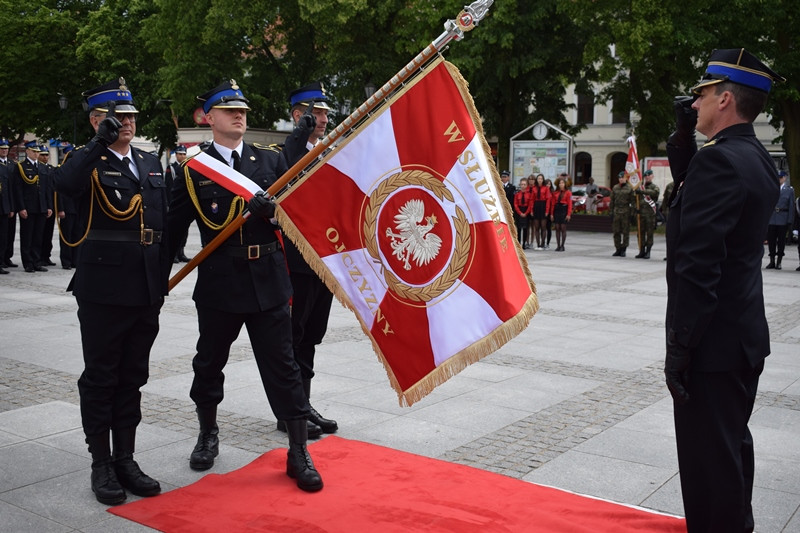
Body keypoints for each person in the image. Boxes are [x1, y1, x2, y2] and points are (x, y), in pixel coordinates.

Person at [167, 80, 323, 492]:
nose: (239, 116)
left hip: (268, 279)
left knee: (284, 366)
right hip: (221, 281)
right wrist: (152, 279)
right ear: (209, 118)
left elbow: (292, 213)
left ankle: (297, 450)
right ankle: (207, 433)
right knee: (209, 362)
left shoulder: (268, 161)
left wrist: (273, 215)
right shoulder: (194, 169)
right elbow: (172, 230)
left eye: (243, 110)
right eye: (228, 110)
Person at [664, 48, 783, 532]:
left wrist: (680, 349)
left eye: (703, 95)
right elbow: (702, 200)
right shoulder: (753, 157)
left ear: (726, 99)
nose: (695, 105)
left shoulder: (720, 164)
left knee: (708, 470)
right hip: (742, 335)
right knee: (731, 453)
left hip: (711, 344)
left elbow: (697, 268)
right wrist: (682, 141)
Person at [51, 78, 168, 505]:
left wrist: (160, 279)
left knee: (133, 376)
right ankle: (101, 462)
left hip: (145, 288)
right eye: (116, 118)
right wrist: (96, 144)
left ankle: (126, 458)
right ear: (96, 120)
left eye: (131, 116)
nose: (126, 123)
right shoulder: (87, 161)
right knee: (102, 376)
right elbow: (65, 184)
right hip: (103, 288)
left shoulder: (150, 162)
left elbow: (164, 226)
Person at [278, 81, 336, 438]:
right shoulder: (287, 150)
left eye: (327, 113)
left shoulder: (329, 151)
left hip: (325, 260)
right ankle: (289, 412)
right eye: (317, 113)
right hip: (297, 259)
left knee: (312, 335)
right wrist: (298, 136)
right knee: (293, 335)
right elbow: (288, 170)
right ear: (298, 116)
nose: (325, 119)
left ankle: (304, 405)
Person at [12, 140, 53, 272]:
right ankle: (28, 263)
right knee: (27, 236)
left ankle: (36, 261)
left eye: (37, 152)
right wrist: (21, 207)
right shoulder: (21, 167)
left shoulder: (42, 167)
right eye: (34, 152)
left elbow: (46, 189)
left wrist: (49, 206)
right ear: (27, 151)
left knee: (38, 236)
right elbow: (18, 190)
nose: (36, 154)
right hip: (28, 207)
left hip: (41, 206)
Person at [165, 145, 190, 263]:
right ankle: (174, 253)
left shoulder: (187, 167)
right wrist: (169, 203)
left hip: (185, 203)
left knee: (185, 230)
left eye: (184, 154)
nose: (182, 156)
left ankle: (181, 253)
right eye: (180, 154)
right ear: (176, 155)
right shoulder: (172, 168)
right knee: (175, 229)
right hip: (173, 202)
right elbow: (168, 186)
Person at [0, 140, 22, 274]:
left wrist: (14, 207)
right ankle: (0, 260)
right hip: (1, 205)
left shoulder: (12, 164)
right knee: (1, 236)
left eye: (6, 149)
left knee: (9, 234)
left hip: (9, 205)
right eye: (2, 149)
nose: (4, 151)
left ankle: (6, 257)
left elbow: (14, 188)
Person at [765, 171, 794, 269]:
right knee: (771, 240)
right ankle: (772, 261)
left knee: (781, 241)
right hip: (772, 218)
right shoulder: (772, 188)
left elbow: (791, 206)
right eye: (778, 177)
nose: (779, 179)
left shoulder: (789, 190)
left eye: (781, 177)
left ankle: (779, 262)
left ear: (785, 178)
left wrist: (790, 220)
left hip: (783, 218)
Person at [37, 146, 57, 267]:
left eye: (46, 155)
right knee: (40, 233)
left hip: (51, 204)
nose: (45, 157)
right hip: (41, 205)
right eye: (42, 155)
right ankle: (38, 257)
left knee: (48, 233)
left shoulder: (51, 169)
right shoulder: (37, 168)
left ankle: (46, 256)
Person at [634, 169, 660, 259]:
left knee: (649, 233)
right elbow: (636, 200)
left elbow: (655, 193)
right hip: (640, 215)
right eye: (646, 176)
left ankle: (648, 251)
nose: (647, 177)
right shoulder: (640, 187)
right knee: (640, 233)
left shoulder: (654, 187)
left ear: (652, 176)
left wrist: (642, 191)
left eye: (649, 175)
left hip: (650, 215)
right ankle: (641, 251)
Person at [610, 170, 633, 256]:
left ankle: (624, 249)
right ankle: (618, 248)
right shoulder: (615, 188)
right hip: (616, 212)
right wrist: (611, 212)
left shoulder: (629, 188)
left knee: (625, 232)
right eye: (619, 178)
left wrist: (632, 214)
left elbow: (633, 202)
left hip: (625, 212)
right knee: (616, 232)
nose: (621, 179)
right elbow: (612, 201)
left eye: (622, 177)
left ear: (626, 178)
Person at [548, 177, 572, 251]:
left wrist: (568, 214)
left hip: (564, 210)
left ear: (565, 184)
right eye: (560, 183)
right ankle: (558, 245)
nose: (561, 184)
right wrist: (552, 214)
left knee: (563, 228)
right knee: (557, 227)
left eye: (562, 183)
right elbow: (552, 204)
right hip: (557, 210)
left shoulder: (568, 193)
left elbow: (570, 204)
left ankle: (562, 245)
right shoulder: (555, 193)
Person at [530, 173, 550, 250]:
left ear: (543, 180)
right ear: (536, 180)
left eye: (541, 179)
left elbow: (548, 200)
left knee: (543, 226)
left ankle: (542, 244)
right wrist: (531, 210)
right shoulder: (534, 188)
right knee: (537, 227)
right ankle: (538, 244)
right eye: (538, 179)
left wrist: (547, 210)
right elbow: (532, 200)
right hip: (536, 206)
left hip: (543, 205)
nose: (540, 180)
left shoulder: (546, 188)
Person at [513, 177, 532, 248]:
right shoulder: (517, 194)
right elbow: (515, 204)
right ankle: (518, 243)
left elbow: (530, 204)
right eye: (522, 184)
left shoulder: (529, 194)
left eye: (524, 184)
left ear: (527, 185)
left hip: (526, 210)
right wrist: (520, 213)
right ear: (520, 185)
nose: (523, 186)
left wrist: (526, 213)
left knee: (525, 229)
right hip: (519, 211)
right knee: (519, 228)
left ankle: (524, 243)